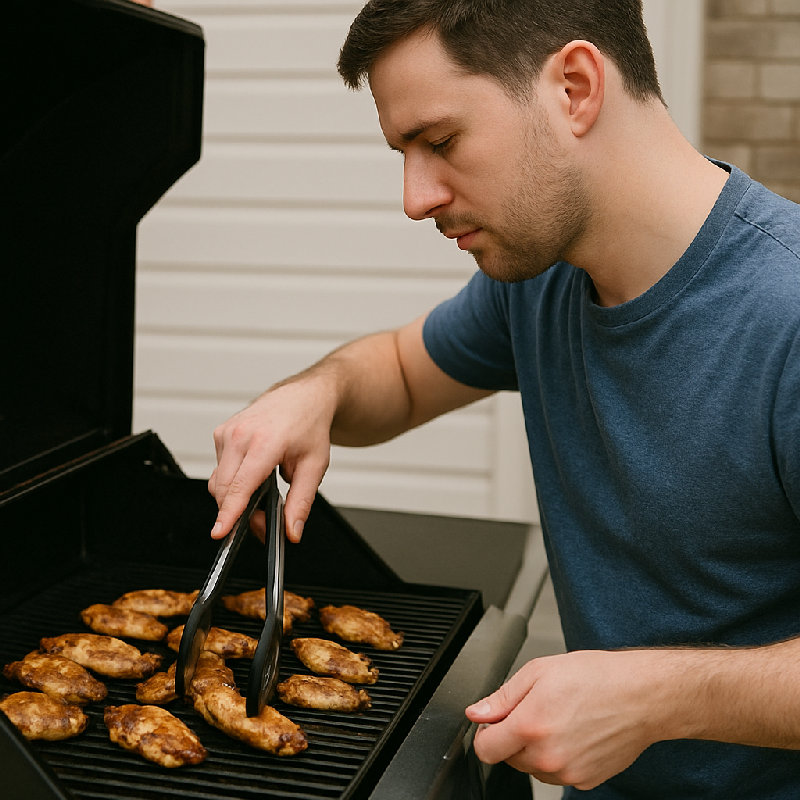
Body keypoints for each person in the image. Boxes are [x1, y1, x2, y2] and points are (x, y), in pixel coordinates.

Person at [208, 1, 800, 796]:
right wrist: (316, 391)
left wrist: (656, 697)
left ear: (576, 87)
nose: (414, 198)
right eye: (403, 153)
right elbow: (402, 371)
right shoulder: (547, 277)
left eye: (441, 142)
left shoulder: (785, 310)